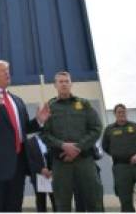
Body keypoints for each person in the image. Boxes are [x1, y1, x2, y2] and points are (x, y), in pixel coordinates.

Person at [0, 59, 51, 212]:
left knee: (14, 208)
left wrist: (39, 121)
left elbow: (23, 129)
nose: (8, 73)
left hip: (17, 167)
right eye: (3, 70)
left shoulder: (17, 101)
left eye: (8, 70)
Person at [40, 71, 103, 212]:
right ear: (55, 85)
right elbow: (44, 134)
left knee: (94, 200)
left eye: (66, 81)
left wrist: (78, 148)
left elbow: (96, 128)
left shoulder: (84, 104)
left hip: (84, 160)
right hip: (61, 163)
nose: (64, 84)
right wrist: (63, 145)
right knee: (62, 204)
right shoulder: (49, 107)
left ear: (71, 83)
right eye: (60, 81)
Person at [27, 133, 56, 212]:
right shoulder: (29, 142)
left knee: (56, 201)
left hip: (52, 175)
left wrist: (53, 170)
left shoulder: (52, 140)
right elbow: (29, 161)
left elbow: (57, 156)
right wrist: (40, 169)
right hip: (38, 177)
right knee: (41, 203)